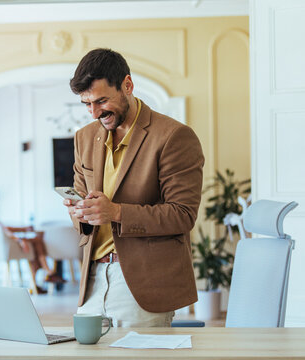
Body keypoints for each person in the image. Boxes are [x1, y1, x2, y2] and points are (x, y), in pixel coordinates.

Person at [63, 48, 204, 327]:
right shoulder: (84, 138)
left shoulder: (174, 137)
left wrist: (115, 212)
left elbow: (183, 215)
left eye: (101, 100)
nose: (94, 113)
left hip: (144, 284)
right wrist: (80, 211)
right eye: (86, 104)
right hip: (92, 280)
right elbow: (83, 211)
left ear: (127, 85)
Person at [0, 188, 65, 293]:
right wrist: (20, 240)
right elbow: (3, 230)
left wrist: (24, 229)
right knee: (37, 241)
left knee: (34, 246)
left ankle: (39, 280)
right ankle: (47, 272)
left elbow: (3, 228)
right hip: (6, 249)